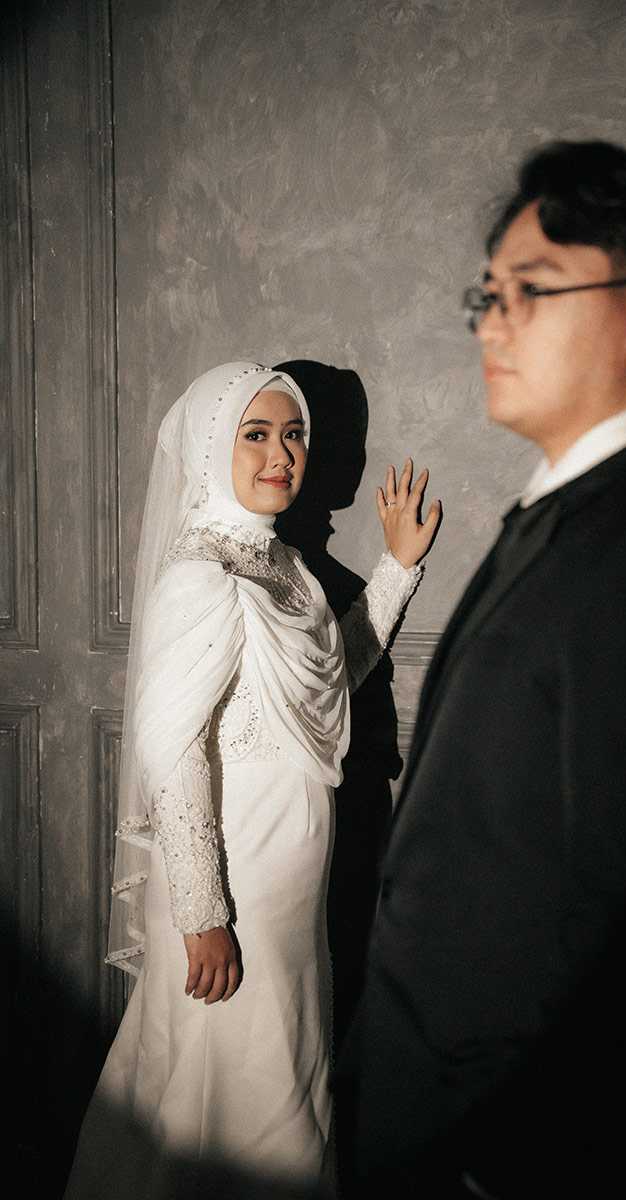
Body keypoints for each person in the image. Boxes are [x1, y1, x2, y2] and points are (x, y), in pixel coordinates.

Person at [339, 141, 626, 1199]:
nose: (491, 323)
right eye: (487, 296)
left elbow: (613, 942)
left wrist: (483, 1162)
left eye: (530, 291)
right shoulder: (572, 512)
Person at [64, 361, 439, 1199]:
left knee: (281, 1079)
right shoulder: (198, 578)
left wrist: (397, 568)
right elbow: (172, 753)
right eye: (257, 435)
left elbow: (330, 679)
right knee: (227, 1095)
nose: (283, 455)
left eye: (294, 434)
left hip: (293, 882)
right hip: (232, 886)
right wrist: (203, 914)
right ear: (211, 448)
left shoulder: (290, 571)